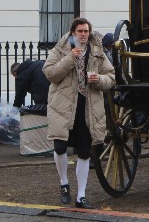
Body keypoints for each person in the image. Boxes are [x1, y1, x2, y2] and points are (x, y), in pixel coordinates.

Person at [42, 17, 114, 209]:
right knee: (59, 146)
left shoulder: (97, 52)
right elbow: (50, 73)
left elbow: (111, 77)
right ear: (73, 32)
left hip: (88, 106)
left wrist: (98, 79)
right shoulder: (60, 49)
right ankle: (64, 183)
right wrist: (70, 58)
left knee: (84, 151)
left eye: (86, 31)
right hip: (63, 106)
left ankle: (81, 195)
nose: (83, 34)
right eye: (80, 31)